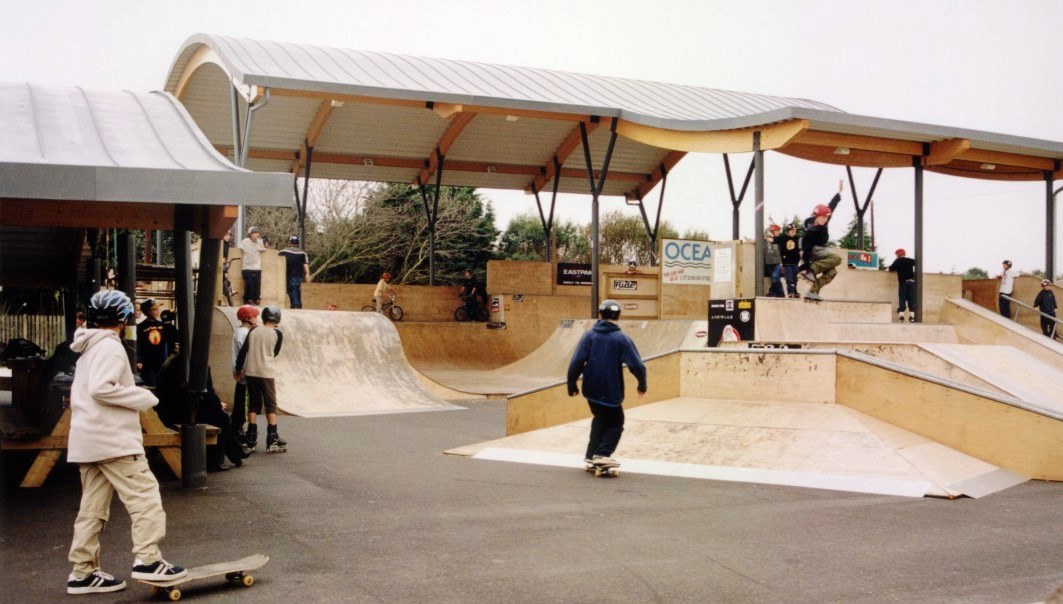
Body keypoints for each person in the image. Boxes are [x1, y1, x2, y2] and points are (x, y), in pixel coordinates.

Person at [65, 290, 186, 595]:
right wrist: (143, 397)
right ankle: (148, 560)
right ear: (124, 318)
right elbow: (101, 389)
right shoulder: (110, 346)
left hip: (88, 441)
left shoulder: (88, 348)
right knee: (145, 497)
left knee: (92, 509)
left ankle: (83, 573)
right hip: (114, 440)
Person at [566, 299, 647, 471]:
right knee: (617, 422)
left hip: (591, 389)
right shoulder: (622, 339)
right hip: (610, 390)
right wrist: (642, 385)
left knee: (600, 419)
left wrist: (571, 385)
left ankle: (590, 455)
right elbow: (637, 365)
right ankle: (602, 454)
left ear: (600, 315)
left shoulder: (589, 335)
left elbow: (576, 362)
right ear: (618, 316)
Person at [234, 305, 286, 453]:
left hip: (251, 372)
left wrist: (238, 369)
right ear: (277, 319)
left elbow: (243, 352)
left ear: (263, 317)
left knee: (253, 403)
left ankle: (251, 437)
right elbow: (274, 352)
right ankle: (272, 437)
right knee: (270, 404)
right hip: (266, 373)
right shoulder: (277, 334)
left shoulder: (252, 331)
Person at [797, 180, 845, 301]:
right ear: (816, 216)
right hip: (811, 249)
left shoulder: (823, 221)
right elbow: (806, 246)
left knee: (832, 272)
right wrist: (806, 266)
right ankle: (811, 270)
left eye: (826, 218)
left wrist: (838, 193)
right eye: (822, 217)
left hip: (819, 250)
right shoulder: (810, 230)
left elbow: (831, 206)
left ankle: (813, 291)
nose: (824, 220)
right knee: (837, 259)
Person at [231, 305, 258, 451]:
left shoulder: (243, 331)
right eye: (255, 316)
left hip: (243, 373)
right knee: (245, 405)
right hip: (245, 374)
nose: (257, 318)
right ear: (247, 318)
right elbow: (245, 354)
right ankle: (242, 434)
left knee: (242, 403)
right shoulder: (243, 333)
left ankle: (238, 431)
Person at [135, 299, 177, 387]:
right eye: (154, 309)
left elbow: (174, 337)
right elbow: (137, 345)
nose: (158, 311)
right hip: (148, 364)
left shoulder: (164, 325)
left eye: (158, 309)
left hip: (162, 362)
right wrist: (138, 360)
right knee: (152, 384)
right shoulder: (140, 327)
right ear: (148, 311)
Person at [278, 235, 310, 309]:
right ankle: (297, 305)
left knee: (292, 289)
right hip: (299, 275)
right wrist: (307, 274)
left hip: (288, 274)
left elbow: (276, 258)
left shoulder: (283, 251)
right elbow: (305, 263)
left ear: (290, 242)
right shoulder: (302, 253)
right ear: (298, 243)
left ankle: (295, 305)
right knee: (296, 288)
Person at [888, 248, 917, 322]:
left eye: (896, 255)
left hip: (903, 283)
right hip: (912, 283)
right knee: (911, 299)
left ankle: (901, 315)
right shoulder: (910, 260)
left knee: (902, 298)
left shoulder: (898, 261)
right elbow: (917, 263)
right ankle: (912, 316)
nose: (896, 256)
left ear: (899, 254)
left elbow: (891, 269)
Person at [239, 226, 266, 305]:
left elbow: (264, 249)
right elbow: (240, 248)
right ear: (250, 234)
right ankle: (248, 299)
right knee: (249, 284)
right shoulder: (245, 241)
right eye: (254, 233)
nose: (256, 235)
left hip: (257, 267)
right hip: (247, 267)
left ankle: (257, 298)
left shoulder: (259, 242)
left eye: (257, 233)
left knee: (257, 284)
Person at [777, 223, 801, 298]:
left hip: (795, 262)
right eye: (792, 230)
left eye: (795, 230)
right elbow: (773, 239)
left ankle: (795, 291)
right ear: (788, 231)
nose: (794, 232)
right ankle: (790, 292)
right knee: (789, 278)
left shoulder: (797, 238)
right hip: (786, 262)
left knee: (795, 278)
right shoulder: (783, 238)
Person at [764, 224, 784, 297]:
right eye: (777, 231)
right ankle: (781, 293)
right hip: (768, 262)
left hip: (777, 262)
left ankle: (772, 292)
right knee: (775, 278)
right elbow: (758, 241)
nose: (778, 232)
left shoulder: (778, 239)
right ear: (772, 231)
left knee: (775, 278)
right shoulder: (765, 239)